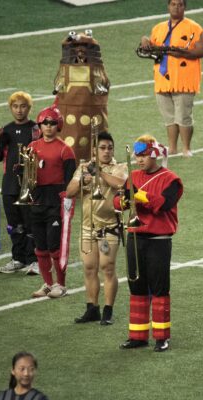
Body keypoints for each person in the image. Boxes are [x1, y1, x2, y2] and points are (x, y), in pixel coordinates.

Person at [114, 135, 183, 352]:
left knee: (160, 288)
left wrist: (141, 197)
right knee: (137, 287)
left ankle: (162, 337)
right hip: (135, 236)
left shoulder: (172, 180)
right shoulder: (132, 176)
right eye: (137, 155)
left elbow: (164, 204)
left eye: (143, 155)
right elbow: (118, 200)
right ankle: (138, 336)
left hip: (158, 240)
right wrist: (123, 201)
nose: (139, 159)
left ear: (154, 155)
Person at [66, 131, 127, 325]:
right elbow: (69, 192)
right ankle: (92, 308)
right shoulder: (84, 167)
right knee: (89, 268)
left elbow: (122, 184)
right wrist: (83, 180)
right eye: (102, 148)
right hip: (87, 227)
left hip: (109, 227)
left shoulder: (120, 167)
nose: (107, 151)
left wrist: (99, 173)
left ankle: (108, 310)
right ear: (95, 150)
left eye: (110, 148)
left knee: (107, 268)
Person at [139, 0, 203, 157]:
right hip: (163, 79)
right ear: (168, 6)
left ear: (185, 7)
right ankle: (172, 147)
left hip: (184, 80)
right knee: (169, 117)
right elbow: (152, 48)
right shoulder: (158, 28)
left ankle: (186, 148)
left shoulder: (193, 27)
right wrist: (145, 40)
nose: (176, 7)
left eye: (180, 4)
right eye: (173, 4)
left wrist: (183, 53)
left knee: (183, 116)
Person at [28, 106, 76, 299]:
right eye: (44, 123)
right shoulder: (32, 147)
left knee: (55, 245)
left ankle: (61, 284)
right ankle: (48, 283)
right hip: (36, 199)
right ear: (39, 125)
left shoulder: (65, 149)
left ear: (59, 125)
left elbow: (70, 179)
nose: (48, 127)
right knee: (40, 245)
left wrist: (66, 202)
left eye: (52, 123)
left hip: (56, 199)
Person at [0, 92, 39, 275]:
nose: (19, 110)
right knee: (14, 224)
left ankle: (33, 259)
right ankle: (17, 258)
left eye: (23, 106)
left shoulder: (36, 129)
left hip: (29, 184)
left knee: (30, 223)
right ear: (11, 108)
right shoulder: (6, 130)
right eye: (15, 106)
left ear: (29, 108)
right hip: (9, 184)